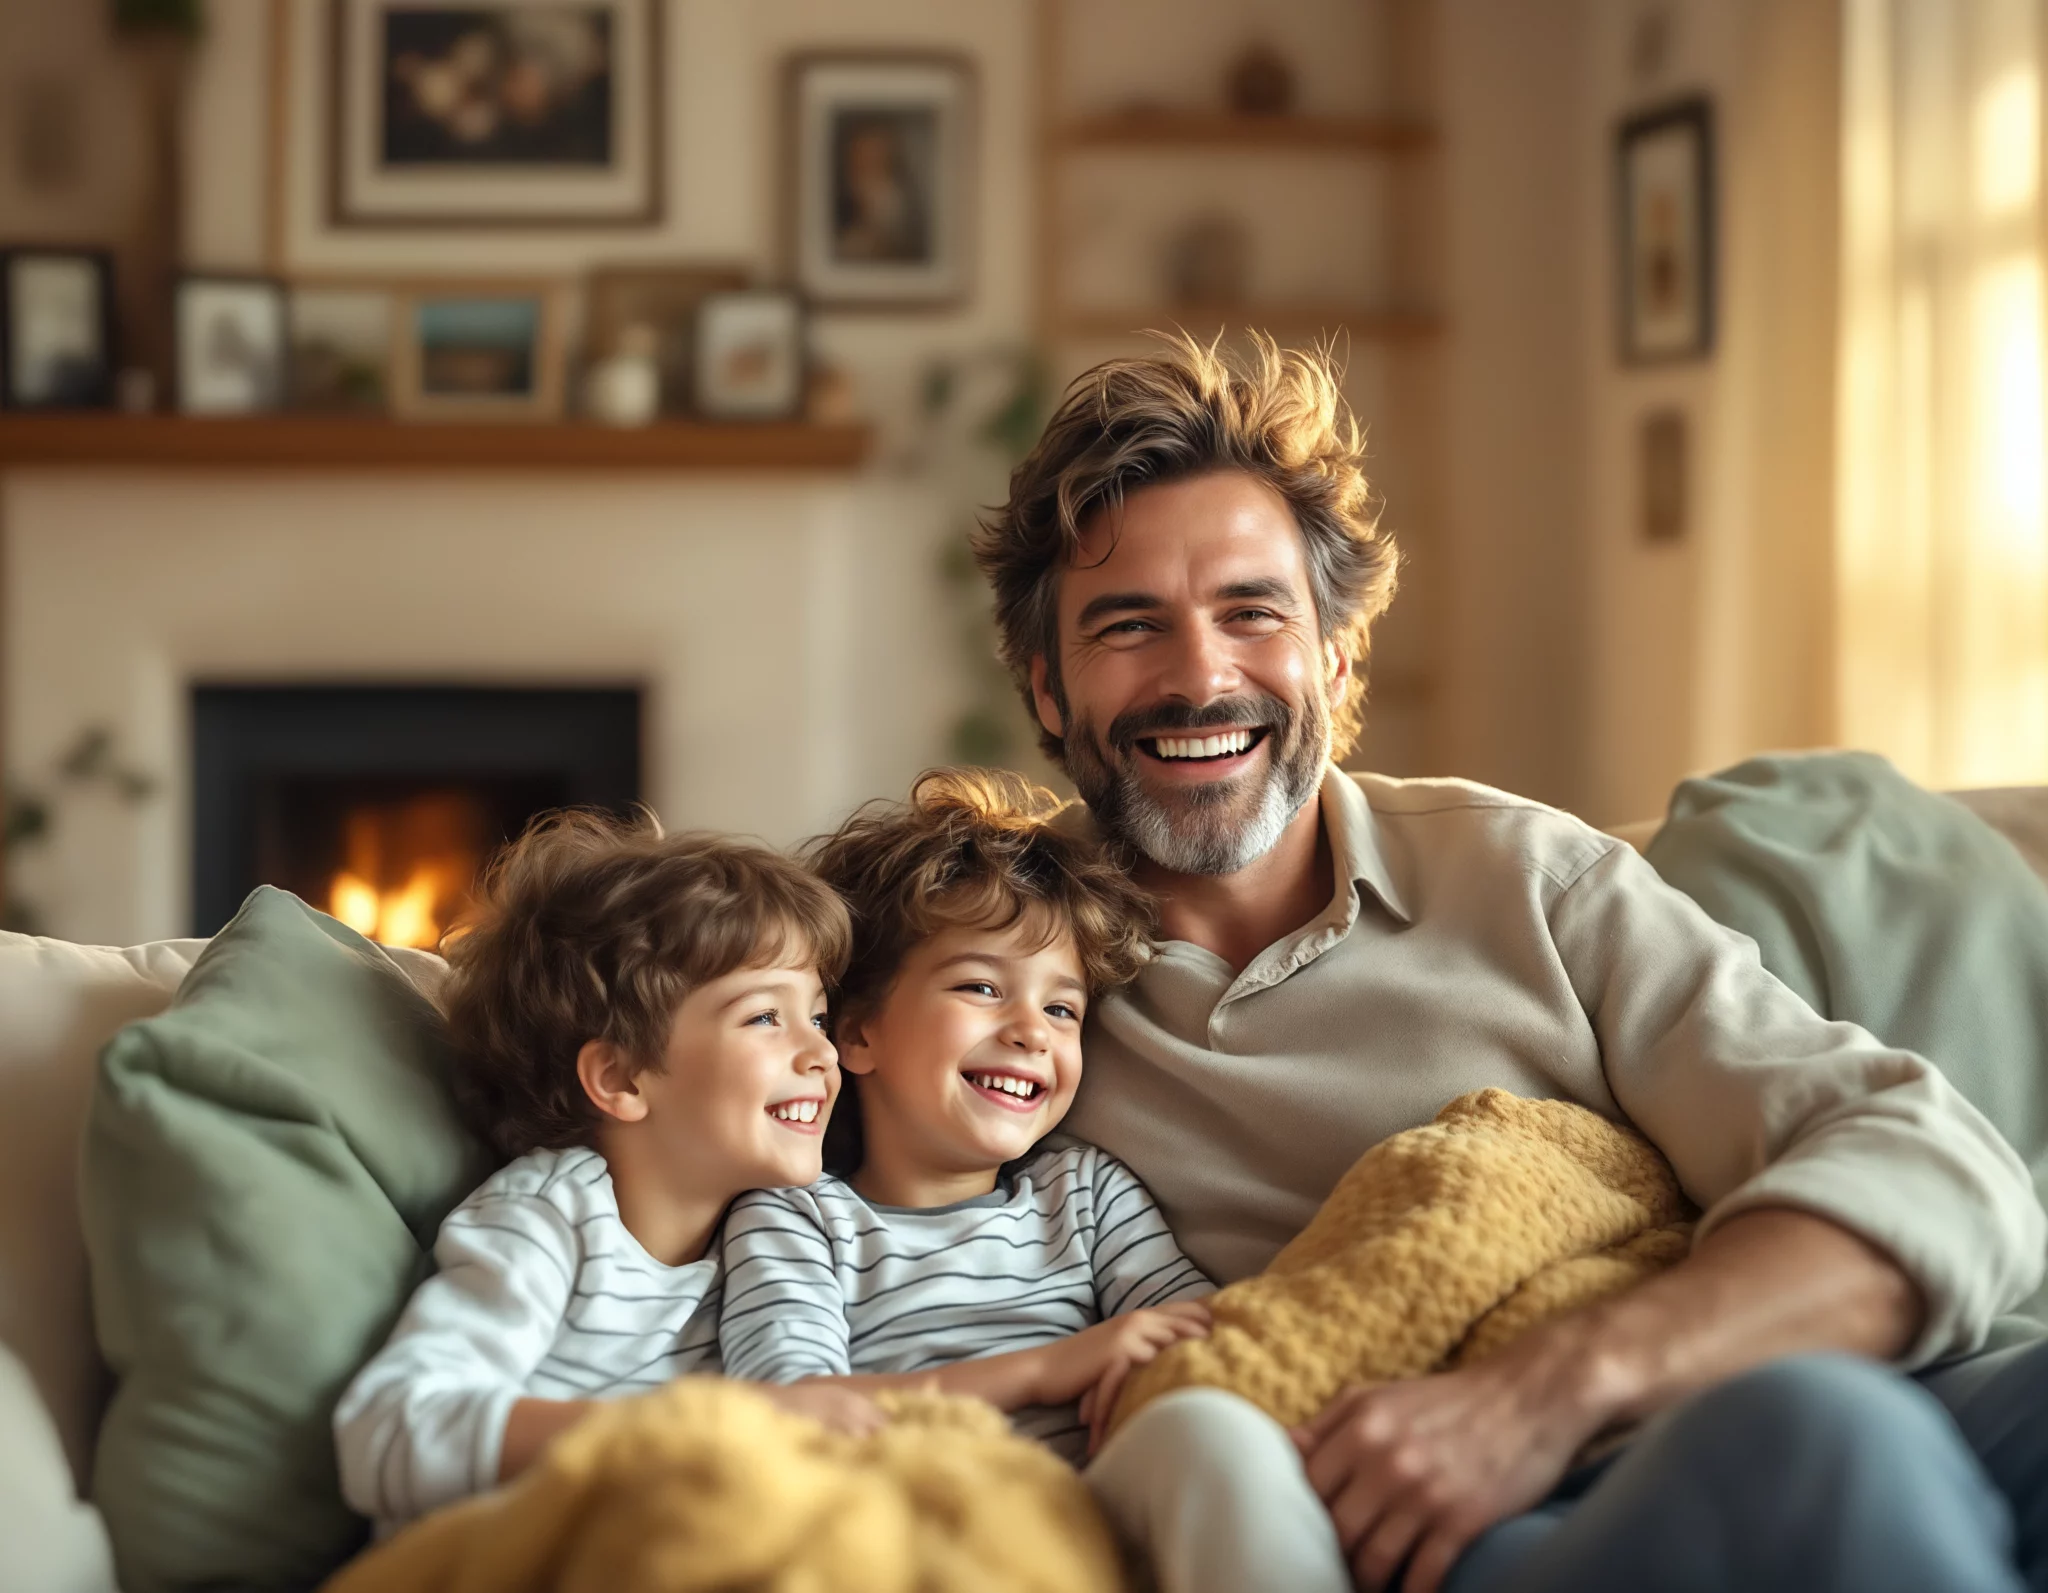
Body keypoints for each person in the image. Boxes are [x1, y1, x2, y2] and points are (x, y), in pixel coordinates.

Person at [969, 333, 2048, 1593]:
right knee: (1820, 1440)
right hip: (1491, 1522)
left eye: (1251, 612)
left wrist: (1557, 1387)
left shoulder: (1526, 875)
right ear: (1046, 688)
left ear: (1334, 653)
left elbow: (1930, 1161)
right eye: (1128, 627)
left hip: (1723, 1372)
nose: (1199, 676)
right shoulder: (977, 962)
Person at [717, 769, 1358, 1593]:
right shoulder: (797, 1217)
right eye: (981, 987)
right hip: (913, 1524)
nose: (1029, 1031)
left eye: (1063, 1009)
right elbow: (788, 1411)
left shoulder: (1085, 1194)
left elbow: (1201, 1335)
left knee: (1211, 1430)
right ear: (860, 1031)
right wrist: (1041, 1370)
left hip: (1098, 1511)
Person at [332, 811, 881, 1535]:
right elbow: (392, 1428)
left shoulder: (783, 1227)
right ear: (622, 1075)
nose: (821, 1054)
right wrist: (705, 1426)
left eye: (815, 1015)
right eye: (763, 1018)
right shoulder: (550, 1217)